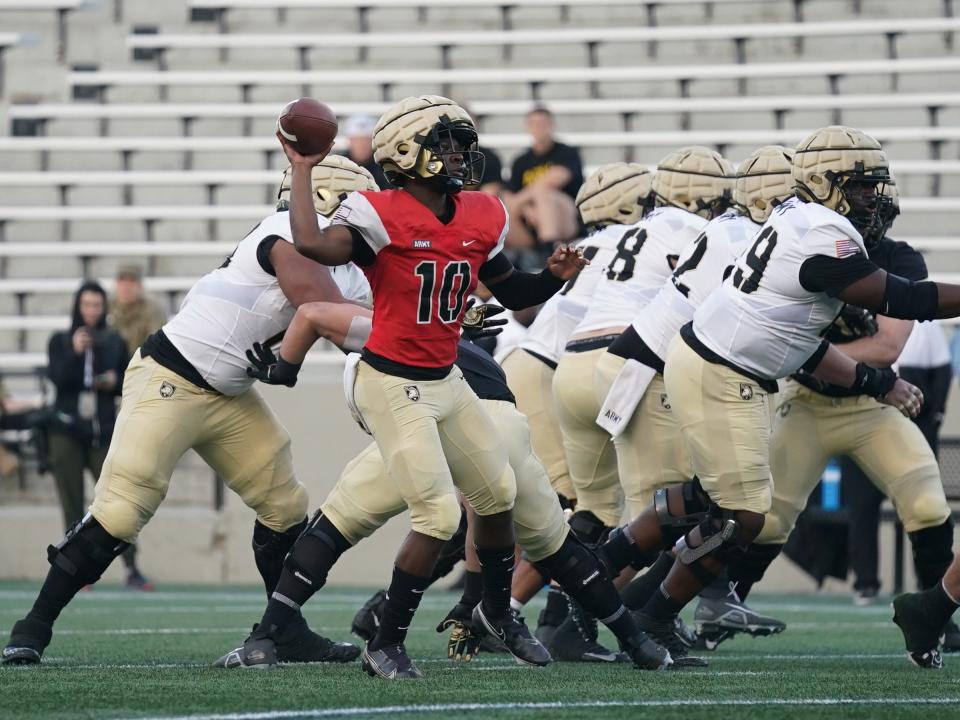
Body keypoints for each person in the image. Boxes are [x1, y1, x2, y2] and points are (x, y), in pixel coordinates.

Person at [223, 94, 587, 680]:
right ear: (405, 153)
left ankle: (495, 611)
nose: (460, 153)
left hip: (446, 376)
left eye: (461, 141)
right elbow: (313, 246)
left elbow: (512, 291)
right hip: (390, 379)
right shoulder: (377, 210)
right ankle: (386, 642)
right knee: (439, 516)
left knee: (497, 494)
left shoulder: (481, 212)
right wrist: (300, 168)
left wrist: (552, 278)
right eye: (444, 142)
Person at [592, 125, 960, 669]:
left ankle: (608, 578)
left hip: (725, 366)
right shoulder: (822, 233)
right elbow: (902, 299)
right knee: (745, 515)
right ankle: (647, 612)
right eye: (860, 186)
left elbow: (799, 335)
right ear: (823, 182)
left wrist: (874, 381)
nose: (872, 197)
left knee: (717, 503)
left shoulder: (800, 217)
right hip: (722, 371)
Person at [1, 156, 375, 667]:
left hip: (230, 392)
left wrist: (445, 319)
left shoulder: (346, 268)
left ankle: (284, 630)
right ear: (332, 202)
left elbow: (375, 314)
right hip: (171, 376)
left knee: (285, 504)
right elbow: (329, 310)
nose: (371, 220)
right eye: (361, 207)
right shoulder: (285, 231)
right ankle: (32, 627)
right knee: (122, 508)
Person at [214, 299, 671, 672]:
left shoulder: (391, 322)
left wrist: (281, 370)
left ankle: (276, 636)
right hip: (493, 419)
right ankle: (631, 640)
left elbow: (315, 312)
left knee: (338, 526)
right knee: (557, 547)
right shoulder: (442, 321)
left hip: (422, 410)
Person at [717, 175, 958, 651]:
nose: (868, 206)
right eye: (860, 194)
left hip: (870, 406)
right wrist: (815, 352)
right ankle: (720, 612)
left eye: (874, 195)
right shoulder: (806, 243)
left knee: (928, 504)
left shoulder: (896, 256)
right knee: (767, 518)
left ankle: (937, 619)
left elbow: (887, 346)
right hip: (805, 403)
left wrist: (812, 350)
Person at [590, 147, 794, 650]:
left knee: (700, 498)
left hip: (649, 359)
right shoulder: (749, 235)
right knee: (689, 503)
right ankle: (595, 595)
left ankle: (641, 603)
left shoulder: (729, 228)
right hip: (654, 366)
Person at [44, 281, 150, 591]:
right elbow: (58, 378)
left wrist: (113, 379)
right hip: (66, 430)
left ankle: (132, 568)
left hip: (102, 431)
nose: (91, 311)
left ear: (104, 308)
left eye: (97, 305)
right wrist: (75, 353)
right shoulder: (61, 341)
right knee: (72, 503)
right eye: (86, 305)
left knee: (117, 501)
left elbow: (128, 381)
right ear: (78, 307)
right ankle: (74, 571)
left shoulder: (114, 340)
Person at [504, 107, 584, 251]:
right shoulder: (521, 160)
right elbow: (509, 195)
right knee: (500, 202)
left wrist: (521, 202)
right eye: (533, 124)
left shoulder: (566, 152)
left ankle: (549, 244)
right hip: (530, 221)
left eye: (542, 123)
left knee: (543, 191)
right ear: (527, 127)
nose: (538, 128)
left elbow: (556, 179)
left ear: (552, 125)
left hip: (566, 218)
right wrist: (527, 208)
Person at [109, 264, 166, 358]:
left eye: (131, 280)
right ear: (116, 283)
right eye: (122, 280)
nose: (126, 286)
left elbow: (157, 345)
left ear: (140, 285)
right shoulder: (107, 306)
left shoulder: (153, 310)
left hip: (141, 364)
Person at [342, 113, 391, 190]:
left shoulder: (385, 168)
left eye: (366, 140)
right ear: (350, 141)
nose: (361, 145)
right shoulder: (338, 166)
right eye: (357, 140)